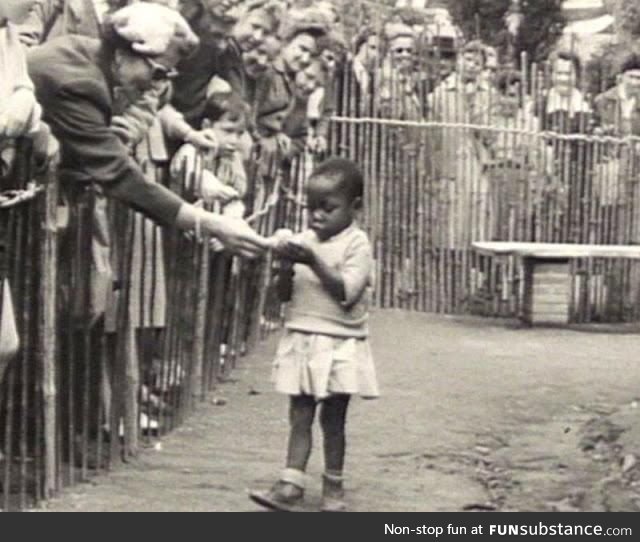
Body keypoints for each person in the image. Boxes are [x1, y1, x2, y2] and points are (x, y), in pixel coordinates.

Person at [27, 2, 267, 255]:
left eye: (167, 77)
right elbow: (118, 174)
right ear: (123, 54)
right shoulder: (79, 85)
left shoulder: (85, 54)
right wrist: (210, 223)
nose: (157, 87)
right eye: (157, 73)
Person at [249, 157, 379, 512]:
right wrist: (285, 267)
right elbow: (284, 296)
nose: (317, 217)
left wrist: (312, 260)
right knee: (300, 414)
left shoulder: (357, 244)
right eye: (311, 208)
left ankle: (333, 487)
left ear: (355, 207)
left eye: (328, 209)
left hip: (340, 342)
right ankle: (291, 484)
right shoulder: (304, 241)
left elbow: (346, 292)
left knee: (333, 420)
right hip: (303, 338)